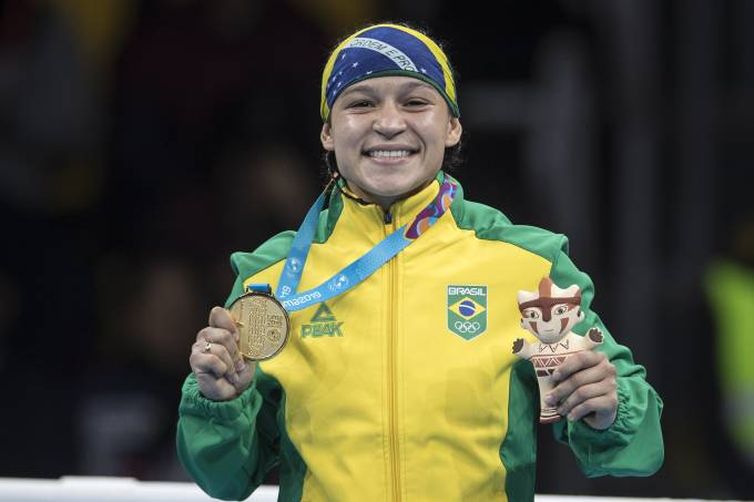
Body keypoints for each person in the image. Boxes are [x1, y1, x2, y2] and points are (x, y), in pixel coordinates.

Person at [176, 22, 664, 501]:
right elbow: (226, 481)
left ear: (452, 126)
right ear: (328, 131)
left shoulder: (524, 265)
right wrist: (220, 404)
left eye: (415, 101)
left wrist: (606, 407)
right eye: (361, 103)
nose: (389, 122)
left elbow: (632, 448)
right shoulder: (272, 276)